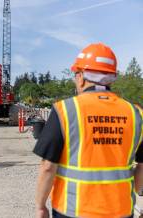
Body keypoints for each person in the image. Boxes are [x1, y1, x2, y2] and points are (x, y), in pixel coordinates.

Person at [33, 43, 143, 218]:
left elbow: (48, 167)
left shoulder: (65, 110)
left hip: (73, 211)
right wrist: (138, 191)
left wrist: (40, 206)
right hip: (121, 211)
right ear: (112, 77)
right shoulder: (136, 113)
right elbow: (141, 169)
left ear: (81, 77)